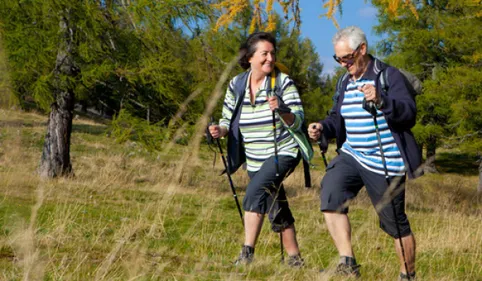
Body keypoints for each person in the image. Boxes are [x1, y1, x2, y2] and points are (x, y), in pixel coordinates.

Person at [308, 26, 422, 280]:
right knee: (331, 195)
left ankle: (408, 275)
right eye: (338, 59)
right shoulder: (344, 81)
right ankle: (347, 263)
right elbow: (337, 118)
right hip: (352, 155)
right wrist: (322, 127)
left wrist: (382, 101)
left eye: (347, 58)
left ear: (362, 50)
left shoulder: (388, 76)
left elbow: (408, 113)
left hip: (385, 161)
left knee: (394, 223)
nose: (342, 64)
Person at [209, 32, 310, 267]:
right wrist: (219, 130)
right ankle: (295, 259)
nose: (270, 58)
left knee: (255, 191)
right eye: (264, 53)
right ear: (250, 57)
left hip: (283, 152)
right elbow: (227, 119)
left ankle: (247, 254)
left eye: (272, 53)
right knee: (276, 203)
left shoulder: (283, 82)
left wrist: (282, 110)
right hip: (253, 158)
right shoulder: (237, 84)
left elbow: (298, 120)